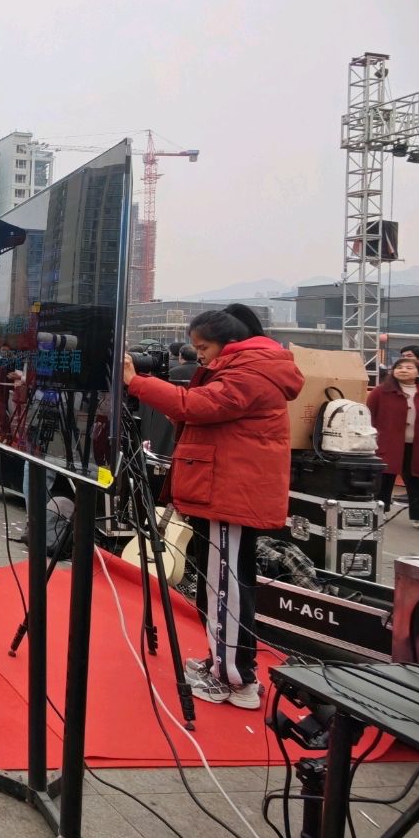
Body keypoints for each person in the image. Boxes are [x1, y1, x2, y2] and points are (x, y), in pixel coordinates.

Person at [123, 303, 304, 709]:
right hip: (222, 490)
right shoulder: (249, 367)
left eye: (203, 348)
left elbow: (196, 406)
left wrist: (136, 381)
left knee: (226, 589)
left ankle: (235, 679)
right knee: (218, 585)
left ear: (230, 343)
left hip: (231, 494)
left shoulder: (252, 371)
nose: (199, 355)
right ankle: (221, 662)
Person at [367, 356, 419, 531]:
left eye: (409, 367)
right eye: (399, 367)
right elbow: (369, 415)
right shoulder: (380, 392)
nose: (403, 370)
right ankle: (380, 510)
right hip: (388, 443)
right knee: (384, 478)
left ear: (418, 373)